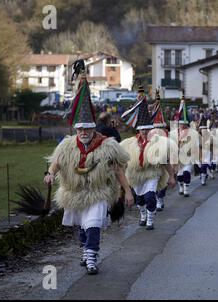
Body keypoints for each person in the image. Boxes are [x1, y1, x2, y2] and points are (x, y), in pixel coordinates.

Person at [44, 61, 134, 275]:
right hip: (75, 194)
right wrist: (50, 174)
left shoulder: (106, 146)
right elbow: (56, 162)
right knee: (83, 228)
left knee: (93, 225)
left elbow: (119, 170)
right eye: (81, 128)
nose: (84, 131)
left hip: (98, 192)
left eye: (87, 128)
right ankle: (86, 251)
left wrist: (127, 192)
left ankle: (92, 259)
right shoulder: (67, 145)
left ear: (93, 128)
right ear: (77, 129)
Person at [120, 86, 176, 230]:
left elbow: (165, 161)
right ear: (138, 129)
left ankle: (150, 219)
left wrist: (171, 176)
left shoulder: (157, 143)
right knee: (139, 199)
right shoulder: (130, 144)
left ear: (150, 128)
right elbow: (123, 163)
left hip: (152, 173)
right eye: (142, 129)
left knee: (150, 197)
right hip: (136, 175)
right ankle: (143, 214)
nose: (144, 131)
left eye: (147, 128)